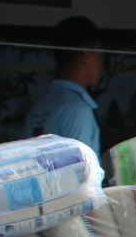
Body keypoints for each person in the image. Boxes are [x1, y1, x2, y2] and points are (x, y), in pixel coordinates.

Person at [26, 15, 104, 156]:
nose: (100, 64)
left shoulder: (40, 106)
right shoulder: (77, 109)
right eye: (98, 56)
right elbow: (80, 172)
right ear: (86, 56)